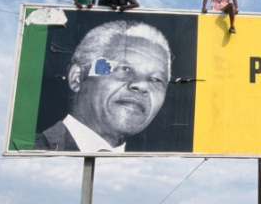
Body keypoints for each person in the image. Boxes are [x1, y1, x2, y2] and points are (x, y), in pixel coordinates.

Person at [34, 20, 172, 152]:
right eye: (124, 69)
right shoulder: (32, 150)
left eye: (156, 80)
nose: (142, 85)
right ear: (77, 78)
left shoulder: (148, 167)